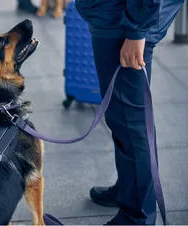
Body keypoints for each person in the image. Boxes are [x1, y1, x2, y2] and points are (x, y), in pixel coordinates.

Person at [75, 0, 185, 225]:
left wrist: (136, 29)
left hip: (124, 17)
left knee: (129, 121)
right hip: (123, 14)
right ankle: (130, 189)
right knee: (123, 117)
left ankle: (136, 217)